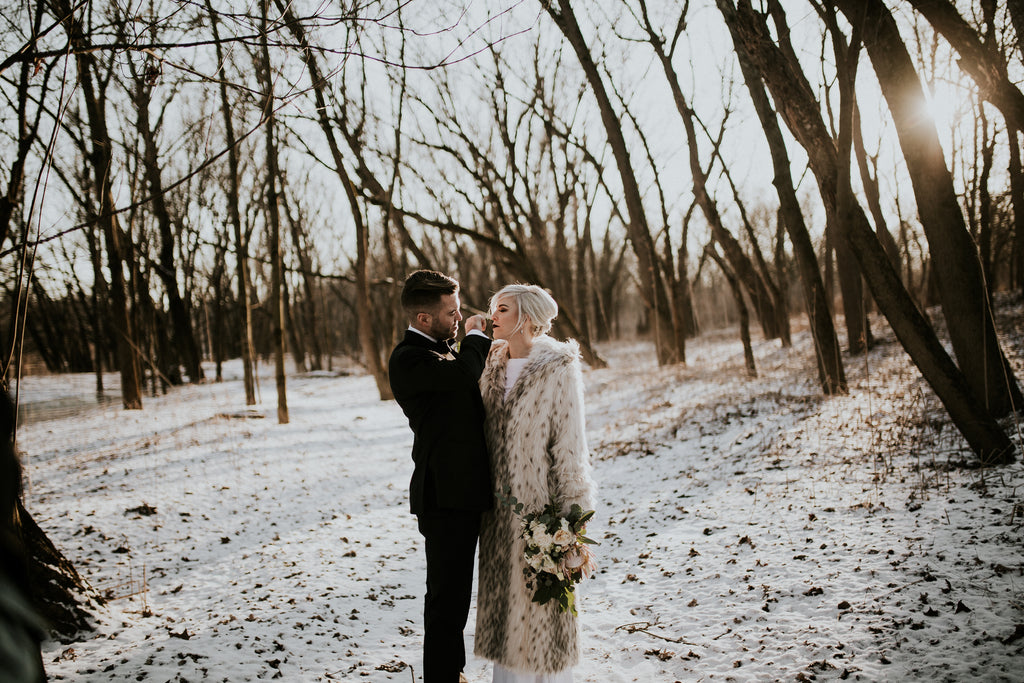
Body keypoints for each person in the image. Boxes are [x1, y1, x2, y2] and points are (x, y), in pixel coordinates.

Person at [473, 284, 595, 683]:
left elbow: (570, 446)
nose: (493, 316)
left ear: (525, 318)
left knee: (541, 613)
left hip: (539, 512)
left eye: (502, 309)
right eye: (493, 309)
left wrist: (572, 522)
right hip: (494, 513)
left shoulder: (558, 367)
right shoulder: (487, 361)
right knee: (505, 616)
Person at [388, 270, 493, 683]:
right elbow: (462, 376)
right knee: (446, 599)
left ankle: (452, 671)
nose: (459, 316)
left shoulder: (444, 349)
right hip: (444, 495)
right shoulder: (408, 358)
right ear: (423, 317)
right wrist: (476, 337)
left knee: (454, 598)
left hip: (464, 492)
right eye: (451, 312)